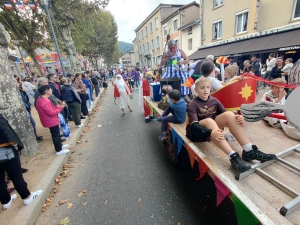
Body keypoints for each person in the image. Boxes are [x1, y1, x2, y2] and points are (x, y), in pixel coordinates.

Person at [187, 76, 277, 174]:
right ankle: (233, 156)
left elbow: (226, 116)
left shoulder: (214, 100)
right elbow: (193, 126)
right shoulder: (193, 104)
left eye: (208, 87)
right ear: (196, 90)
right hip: (198, 133)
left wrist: (238, 118)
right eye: (202, 88)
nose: (206, 90)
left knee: (230, 115)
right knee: (209, 121)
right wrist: (210, 132)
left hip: (213, 131)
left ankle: (249, 150)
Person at [0, 113, 42, 209]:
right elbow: (7, 133)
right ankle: (27, 196)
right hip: (7, 153)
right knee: (16, 175)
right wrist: (15, 145)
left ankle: (5, 201)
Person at [35, 85, 70, 155]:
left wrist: (58, 107)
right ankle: (59, 150)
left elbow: (51, 109)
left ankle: (60, 146)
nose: (52, 91)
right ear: (46, 91)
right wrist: (61, 108)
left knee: (56, 134)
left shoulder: (41, 99)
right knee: (55, 135)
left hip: (50, 120)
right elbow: (51, 113)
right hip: (51, 121)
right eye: (50, 90)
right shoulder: (44, 101)